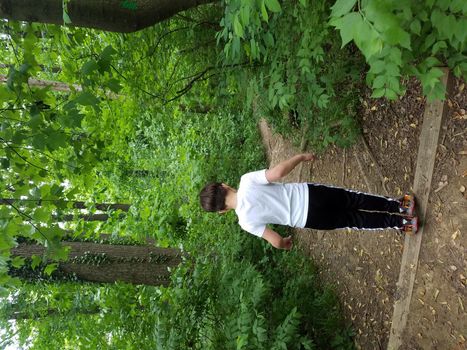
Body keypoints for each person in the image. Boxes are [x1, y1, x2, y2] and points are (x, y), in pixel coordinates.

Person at [199, 153, 418, 250]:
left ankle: (402, 224)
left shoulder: (245, 222)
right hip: (309, 195)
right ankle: (400, 205)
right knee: (354, 198)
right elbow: (276, 173)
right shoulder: (246, 181)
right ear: (224, 186)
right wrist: (300, 157)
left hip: (307, 218)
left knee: (355, 219)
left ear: (222, 211)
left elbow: (274, 240)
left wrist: (285, 243)